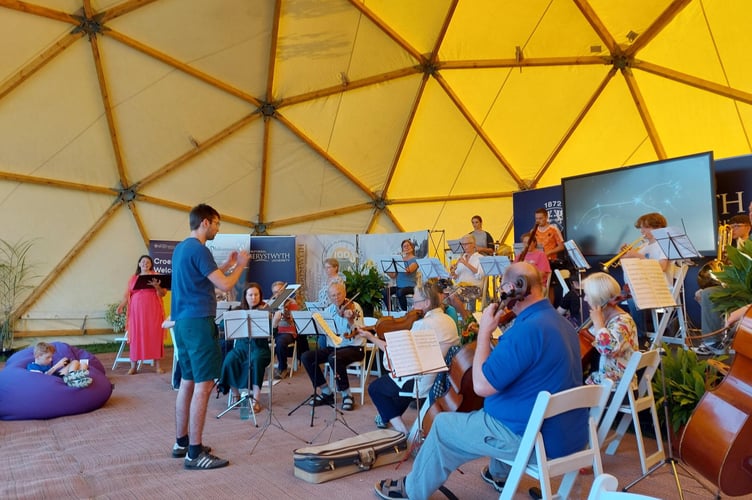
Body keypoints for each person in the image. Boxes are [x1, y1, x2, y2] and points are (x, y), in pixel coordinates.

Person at [374, 262, 586, 499]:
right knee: (504, 403)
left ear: (510, 288)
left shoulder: (525, 331)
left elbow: (482, 386)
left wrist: (484, 332)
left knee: (444, 426)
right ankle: (500, 473)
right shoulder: (563, 324)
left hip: (535, 440)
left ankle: (411, 490)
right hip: (570, 434)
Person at [171, 203, 250, 470]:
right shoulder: (200, 249)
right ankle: (195, 453)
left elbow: (203, 282)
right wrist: (240, 266)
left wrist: (227, 264)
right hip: (198, 323)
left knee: (188, 382)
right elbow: (226, 285)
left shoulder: (182, 248)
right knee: (204, 387)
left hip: (182, 323)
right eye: (216, 223)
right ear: (205, 222)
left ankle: (182, 442)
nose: (217, 228)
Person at [361, 279, 459, 434]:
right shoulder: (449, 320)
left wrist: (378, 342)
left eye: (415, 302)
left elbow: (399, 357)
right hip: (442, 379)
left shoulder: (423, 324)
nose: (413, 307)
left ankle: (402, 432)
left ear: (427, 303)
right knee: (399, 387)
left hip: (423, 380)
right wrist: (373, 338)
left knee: (375, 388)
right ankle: (387, 416)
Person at [300, 281, 364, 411]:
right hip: (334, 346)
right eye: (333, 295)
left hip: (354, 347)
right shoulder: (328, 311)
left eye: (339, 294)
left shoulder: (354, 307)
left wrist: (350, 320)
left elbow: (358, 331)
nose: (336, 297)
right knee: (307, 357)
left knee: (334, 358)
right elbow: (325, 331)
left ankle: (347, 395)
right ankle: (326, 392)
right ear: (329, 297)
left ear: (345, 293)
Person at [694, 214, 751, 355]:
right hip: (736, 286)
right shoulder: (732, 246)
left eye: (736, 226)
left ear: (747, 227)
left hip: (747, 289)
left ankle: (729, 336)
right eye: (750, 211)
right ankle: (713, 342)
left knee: (709, 294)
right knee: (705, 293)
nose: (733, 229)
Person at [216, 283, 272, 413]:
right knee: (229, 360)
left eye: (256, 295)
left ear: (260, 296)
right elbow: (223, 325)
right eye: (250, 295)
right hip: (241, 348)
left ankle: (256, 399)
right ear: (245, 296)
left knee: (256, 360)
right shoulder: (238, 310)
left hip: (260, 348)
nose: (253, 298)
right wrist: (228, 317)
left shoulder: (265, 310)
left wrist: (273, 321)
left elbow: (273, 331)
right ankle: (236, 395)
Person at [621, 212, 673, 347]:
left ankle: (641, 337)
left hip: (659, 287)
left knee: (633, 301)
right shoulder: (643, 246)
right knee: (610, 298)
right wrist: (624, 255)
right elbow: (625, 266)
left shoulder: (664, 244)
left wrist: (638, 256)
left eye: (646, 227)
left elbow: (662, 266)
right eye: (641, 228)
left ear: (658, 227)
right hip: (642, 286)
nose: (642, 231)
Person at [581, 272, 638, 386]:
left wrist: (598, 323)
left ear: (599, 298)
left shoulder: (622, 321)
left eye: (587, 295)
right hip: (603, 384)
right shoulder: (606, 319)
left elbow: (607, 349)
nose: (585, 299)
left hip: (615, 388)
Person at [116, 255, 167, 375]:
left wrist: (157, 286)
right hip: (136, 312)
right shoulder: (133, 278)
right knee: (136, 336)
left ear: (151, 264)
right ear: (139, 264)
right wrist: (121, 306)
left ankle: (158, 366)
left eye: (148, 262)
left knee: (155, 335)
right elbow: (128, 295)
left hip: (153, 310)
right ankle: (133, 366)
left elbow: (163, 293)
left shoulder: (157, 276)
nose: (145, 263)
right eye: (143, 262)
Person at [271, 280, 307, 379]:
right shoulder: (271, 304)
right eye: (275, 292)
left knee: (281, 341)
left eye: (280, 291)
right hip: (274, 331)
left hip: (288, 332)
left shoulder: (292, 303)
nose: (277, 294)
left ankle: (283, 368)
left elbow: (294, 322)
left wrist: (286, 314)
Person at [384, 239, 419, 311]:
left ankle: (404, 312)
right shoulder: (400, 260)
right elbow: (393, 276)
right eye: (404, 246)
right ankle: (390, 311)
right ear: (402, 249)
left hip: (411, 286)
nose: (406, 247)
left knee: (400, 292)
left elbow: (408, 271)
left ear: (412, 247)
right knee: (384, 292)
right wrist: (386, 269)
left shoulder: (415, 259)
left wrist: (399, 261)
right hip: (399, 286)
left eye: (408, 245)